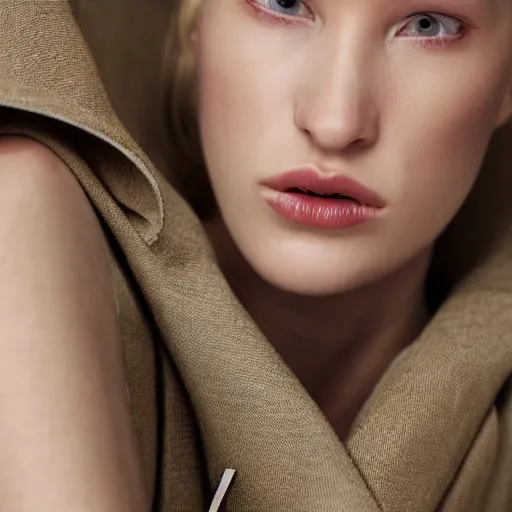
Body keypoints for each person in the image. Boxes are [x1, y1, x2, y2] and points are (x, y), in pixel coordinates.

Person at [0, 1, 511, 512]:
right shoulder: (27, 218)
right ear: (198, 22)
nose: (334, 122)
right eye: (283, 2)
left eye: (428, 26)